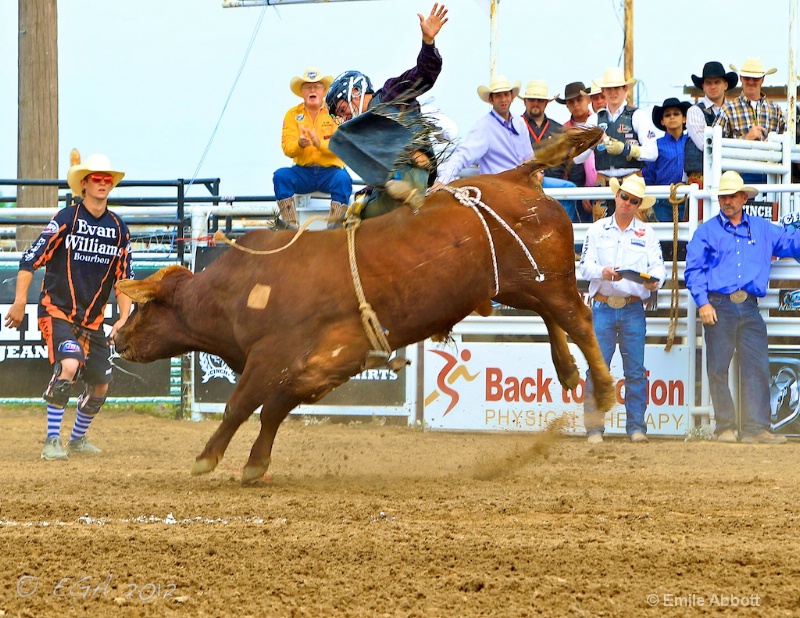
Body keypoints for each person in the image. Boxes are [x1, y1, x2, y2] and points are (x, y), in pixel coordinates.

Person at [3, 154, 133, 460]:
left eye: (106, 179)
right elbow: (29, 259)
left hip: (93, 320)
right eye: (96, 178)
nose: (102, 183)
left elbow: (124, 278)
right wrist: (20, 301)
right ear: (84, 184)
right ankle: (51, 440)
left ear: (110, 184)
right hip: (57, 310)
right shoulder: (65, 219)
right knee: (70, 365)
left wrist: (124, 317)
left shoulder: (119, 228)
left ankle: (76, 439)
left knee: (100, 385)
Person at [684, 171, 800, 444]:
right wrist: (703, 302)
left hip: (748, 305)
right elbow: (694, 270)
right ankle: (727, 426)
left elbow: (792, 244)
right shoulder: (707, 231)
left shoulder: (763, 228)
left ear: (744, 198)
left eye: (732, 196)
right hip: (719, 304)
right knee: (718, 367)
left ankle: (754, 428)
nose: (727, 201)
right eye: (723, 196)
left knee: (756, 366)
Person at [325, 3, 448, 218]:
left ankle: (399, 193)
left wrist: (428, 43)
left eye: (342, 108)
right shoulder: (362, 131)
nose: (343, 116)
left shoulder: (391, 92)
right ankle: (393, 195)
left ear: (355, 91)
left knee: (353, 222)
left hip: (412, 172)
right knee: (360, 205)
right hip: (398, 183)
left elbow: (424, 75)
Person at [579, 173, 665, 444]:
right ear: (616, 196)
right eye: (624, 197)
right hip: (605, 305)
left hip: (630, 307)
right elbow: (584, 266)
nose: (627, 203)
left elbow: (658, 268)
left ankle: (635, 427)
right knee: (598, 368)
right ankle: (596, 428)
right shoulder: (596, 230)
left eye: (633, 200)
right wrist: (603, 272)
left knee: (634, 370)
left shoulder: (647, 233)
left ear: (639, 204)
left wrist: (655, 282)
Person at [273, 68, 353, 229]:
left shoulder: (336, 113)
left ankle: (334, 227)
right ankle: (291, 226)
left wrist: (319, 144)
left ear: (324, 91)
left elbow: (343, 145)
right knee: (281, 176)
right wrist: (299, 145)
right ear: (302, 92)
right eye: (308, 87)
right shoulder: (292, 115)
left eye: (316, 86)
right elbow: (287, 148)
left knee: (343, 180)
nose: (312, 90)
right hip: (303, 172)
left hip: (330, 172)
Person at [433, 76, 532, 185]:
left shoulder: (519, 122)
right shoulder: (484, 127)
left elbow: (529, 156)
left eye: (506, 94)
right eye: (498, 95)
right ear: (491, 100)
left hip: (523, 183)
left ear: (512, 97)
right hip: (500, 187)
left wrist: (538, 171)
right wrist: (443, 180)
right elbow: (462, 155)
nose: (503, 99)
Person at [586, 67, 657, 219]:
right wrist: (589, 143)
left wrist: (626, 149)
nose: (613, 92)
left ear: (625, 89)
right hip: (603, 182)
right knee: (601, 232)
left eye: (617, 88)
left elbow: (652, 152)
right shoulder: (593, 120)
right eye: (609, 89)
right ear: (603, 91)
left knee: (636, 230)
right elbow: (577, 159)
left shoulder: (638, 116)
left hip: (631, 180)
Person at [715, 57, 786, 185]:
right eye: (747, 78)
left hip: (771, 173)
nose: (751, 82)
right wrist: (746, 140)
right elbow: (715, 146)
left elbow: (787, 139)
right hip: (739, 175)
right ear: (741, 78)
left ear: (762, 80)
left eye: (756, 78)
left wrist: (774, 143)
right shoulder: (727, 110)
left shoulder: (776, 109)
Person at [519, 80, 579, 221]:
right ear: (525, 101)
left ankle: (564, 228)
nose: (536, 103)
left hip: (554, 184)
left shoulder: (559, 130)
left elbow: (572, 164)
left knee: (571, 189)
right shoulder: (516, 125)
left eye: (540, 100)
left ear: (546, 103)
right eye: (532, 99)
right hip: (524, 181)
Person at [685, 61, 738, 184]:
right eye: (708, 83)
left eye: (717, 82)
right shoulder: (694, 111)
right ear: (703, 86)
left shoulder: (734, 110)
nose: (713, 87)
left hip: (730, 176)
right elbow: (705, 145)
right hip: (702, 177)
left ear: (725, 85)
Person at [642, 97, 692, 222]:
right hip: (662, 199)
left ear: (684, 119)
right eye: (667, 115)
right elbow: (648, 174)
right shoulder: (655, 145)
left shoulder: (691, 142)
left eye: (676, 114)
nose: (672, 117)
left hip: (688, 198)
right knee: (663, 238)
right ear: (662, 121)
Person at [557, 81, 598, 222]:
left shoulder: (599, 122)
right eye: (571, 102)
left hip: (603, 185)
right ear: (567, 105)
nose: (575, 104)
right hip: (576, 188)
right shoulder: (563, 131)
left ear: (587, 99)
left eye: (579, 99)